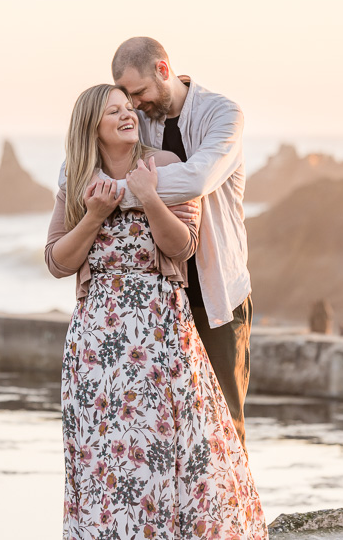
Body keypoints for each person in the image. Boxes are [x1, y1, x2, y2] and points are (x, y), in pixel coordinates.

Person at [46, 84, 267, 539]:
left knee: (175, 442)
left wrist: (148, 196)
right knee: (104, 452)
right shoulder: (77, 178)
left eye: (130, 107)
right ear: (93, 125)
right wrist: (93, 214)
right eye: (114, 111)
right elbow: (56, 261)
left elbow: (183, 245)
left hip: (160, 329)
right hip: (97, 346)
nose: (128, 115)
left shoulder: (164, 166)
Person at [108, 37, 254, 449]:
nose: (134, 104)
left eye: (138, 92)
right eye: (126, 96)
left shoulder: (223, 114)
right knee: (165, 428)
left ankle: (237, 514)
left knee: (225, 422)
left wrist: (117, 192)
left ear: (164, 70)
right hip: (159, 297)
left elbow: (196, 180)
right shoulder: (140, 117)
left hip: (217, 294)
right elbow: (83, 165)